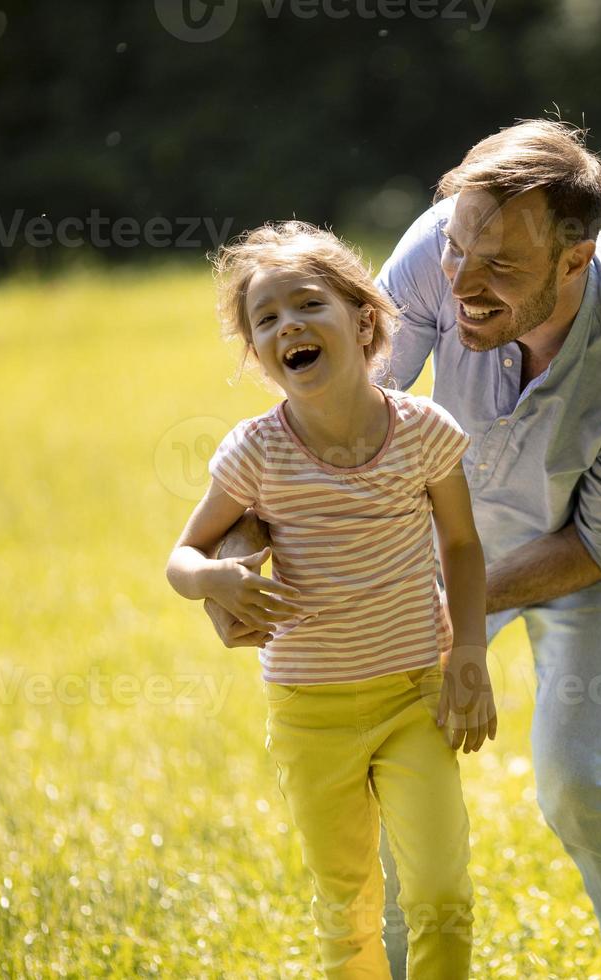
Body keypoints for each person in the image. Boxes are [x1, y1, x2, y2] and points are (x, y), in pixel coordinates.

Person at [210, 120, 601, 979]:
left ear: (576, 260)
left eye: (501, 267)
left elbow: (595, 544)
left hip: (587, 554)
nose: (464, 284)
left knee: (580, 783)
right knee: (407, 772)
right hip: (451, 526)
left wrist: (453, 614)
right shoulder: (434, 257)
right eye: (458, 251)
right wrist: (241, 554)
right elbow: (335, 430)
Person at [166, 220, 496, 979]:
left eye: (308, 304)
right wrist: (213, 578)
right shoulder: (256, 451)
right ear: (260, 354)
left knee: (442, 891)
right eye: (267, 319)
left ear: (364, 318)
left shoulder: (424, 433)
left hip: (415, 695)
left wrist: (469, 653)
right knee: (345, 906)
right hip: (309, 712)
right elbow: (182, 557)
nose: (290, 325)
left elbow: (464, 548)